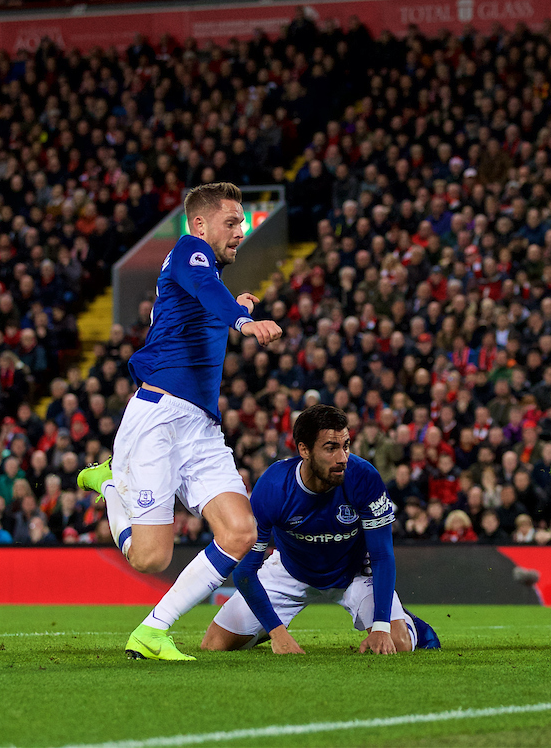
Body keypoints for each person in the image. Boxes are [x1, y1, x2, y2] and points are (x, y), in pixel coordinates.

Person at [76, 182, 284, 661]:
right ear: (199, 224)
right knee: (151, 558)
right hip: (159, 418)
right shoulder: (189, 251)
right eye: (232, 222)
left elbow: (206, 298)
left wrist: (240, 306)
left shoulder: (202, 274)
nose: (240, 232)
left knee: (240, 531)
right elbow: (209, 291)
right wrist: (242, 320)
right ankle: (109, 483)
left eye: (242, 224)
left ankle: (153, 631)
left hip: (201, 428)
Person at [201, 405, 439, 654]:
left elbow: (382, 556)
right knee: (214, 645)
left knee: (397, 645)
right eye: (330, 448)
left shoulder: (364, 478)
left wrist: (381, 627)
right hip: (291, 571)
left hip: (354, 573)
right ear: (304, 449)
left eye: (345, 445)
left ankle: (415, 628)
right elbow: (245, 570)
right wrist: (277, 633)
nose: (342, 457)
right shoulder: (273, 487)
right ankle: (261, 629)